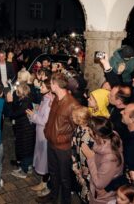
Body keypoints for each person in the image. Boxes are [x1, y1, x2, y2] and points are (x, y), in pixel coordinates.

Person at [38, 73, 80, 204]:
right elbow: (51, 118)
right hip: (51, 142)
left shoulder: (73, 104)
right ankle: (53, 197)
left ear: (56, 85)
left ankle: (65, 201)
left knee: (65, 178)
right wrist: (46, 131)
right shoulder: (56, 98)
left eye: (51, 83)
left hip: (63, 147)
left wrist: (64, 139)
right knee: (53, 173)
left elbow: (77, 128)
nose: (50, 85)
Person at [82, 116, 124, 204]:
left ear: (97, 134)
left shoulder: (110, 158)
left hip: (102, 198)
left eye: (89, 130)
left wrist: (90, 158)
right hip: (97, 190)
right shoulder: (110, 135)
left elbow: (99, 184)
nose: (87, 131)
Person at [26, 78, 54, 196]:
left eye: (42, 87)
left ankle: (44, 182)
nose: (40, 88)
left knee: (45, 159)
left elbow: (45, 120)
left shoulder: (49, 102)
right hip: (40, 132)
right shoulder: (45, 98)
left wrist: (33, 115)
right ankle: (43, 181)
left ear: (49, 89)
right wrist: (37, 110)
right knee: (42, 156)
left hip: (44, 134)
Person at [7, 83, 35, 179]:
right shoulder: (24, 99)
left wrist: (9, 102)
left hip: (25, 129)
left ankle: (24, 171)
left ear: (22, 92)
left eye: (17, 91)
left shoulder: (25, 103)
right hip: (24, 128)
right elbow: (16, 105)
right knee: (26, 148)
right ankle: (28, 167)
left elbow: (12, 114)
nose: (16, 92)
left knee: (25, 149)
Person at [71, 106, 93, 203]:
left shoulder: (89, 134)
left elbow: (88, 154)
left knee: (86, 189)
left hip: (86, 166)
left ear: (79, 119)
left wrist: (80, 169)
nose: (72, 118)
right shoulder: (79, 128)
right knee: (80, 186)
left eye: (74, 117)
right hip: (78, 161)